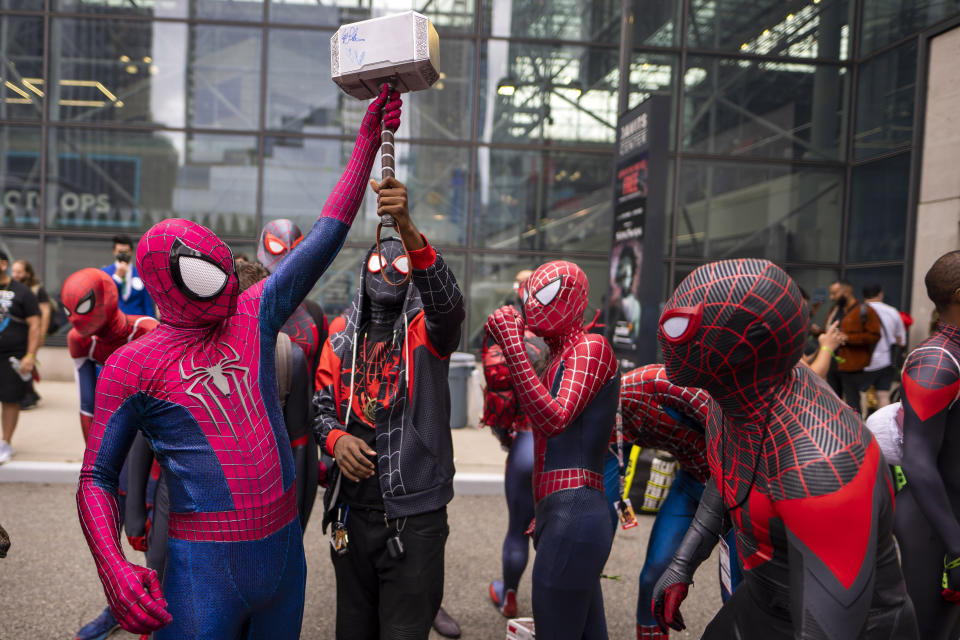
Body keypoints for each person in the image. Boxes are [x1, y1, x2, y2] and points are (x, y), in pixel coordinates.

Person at [76, 85, 400, 639]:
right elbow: (95, 477)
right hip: (204, 565)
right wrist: (113, 569)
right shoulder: (136, 364)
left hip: (273, 556)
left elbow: (327, 233)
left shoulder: (250, 313)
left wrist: (367, 140)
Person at [651, 259, 917, 639]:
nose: (664, 335)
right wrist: (682, 564)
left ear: (750, 342)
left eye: (680, 325)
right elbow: (730, 473)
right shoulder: (730, 391)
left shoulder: (822, 463)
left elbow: (833, 625)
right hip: (762, 602)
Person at [313, 176, 465, 640]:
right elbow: (319, 408)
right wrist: (336, 440)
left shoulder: (428, 333)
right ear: (363, 272)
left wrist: (408, 228)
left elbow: (449, 306)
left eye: (400, 263)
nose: (388, 270)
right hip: (350, 515)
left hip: (413, 518)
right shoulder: (340, 334)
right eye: (380, 261)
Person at [486, 260, 619, 640]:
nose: (532, 304)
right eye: (530, 295)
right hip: (565, 514)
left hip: (574, 514)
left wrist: (512, 344)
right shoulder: (560, 355)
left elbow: (553, 419)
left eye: (543, 295)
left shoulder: (591, 348)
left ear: (574, 298)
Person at [61, 267, 159, 640]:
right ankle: (119, 604)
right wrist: (96, 469)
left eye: (80, 306)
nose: (74, 317)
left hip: (150, 448)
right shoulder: (79, 340)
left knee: (152, 529)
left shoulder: (146, 329)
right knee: (107, 537)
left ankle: (162, 605)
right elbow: (88, 407)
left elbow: (160, 405)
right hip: (109, 447)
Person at [620, 364, 741, 639]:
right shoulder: (609, 420)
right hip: (690, 482)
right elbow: (613, 474)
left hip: (732, 490)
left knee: (735, 591)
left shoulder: (651, 382)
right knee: (654, 573)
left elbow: (719, 417)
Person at [897, 250, 960, 639]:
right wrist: (956, 546)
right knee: (928, 631)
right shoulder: (936, 359)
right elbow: (917, 460)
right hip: (935, 525)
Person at [482, 270, 549, 619]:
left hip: (523, 443)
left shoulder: (513, 339)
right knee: (556, 534)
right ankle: (551, 607)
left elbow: (499, 403)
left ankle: (509, 597)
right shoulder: (574, 341)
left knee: (517, 531)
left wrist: (506, 439)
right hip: (558, 449)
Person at [257, 218, 329, 378]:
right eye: (277, 246)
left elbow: (319, 375)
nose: (288, 253)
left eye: (295, 248)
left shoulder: (314, 313)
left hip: (303, 400)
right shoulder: (246, 306)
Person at [0, 250, 40, 464]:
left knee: (9, 399)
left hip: (12, 355)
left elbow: (35, 325)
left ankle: (5, 443)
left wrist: (30, 355)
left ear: (3, 263)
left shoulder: (23, 292)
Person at [826, 279, 881, 412]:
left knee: (853, 403)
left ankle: (855, 431)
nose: (831, 297)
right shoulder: (834, 310)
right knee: (832, 402)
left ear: (846, 292)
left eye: (835, 293)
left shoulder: (865, 310)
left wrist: (849, 338)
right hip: (832, 362)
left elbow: (874, 336)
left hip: (852, 365)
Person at [10, 259, 51, 410]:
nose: (15, 275)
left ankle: (26, 396)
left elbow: (45, 313)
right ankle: (30, 394)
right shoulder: (11, 288)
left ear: (27, 273)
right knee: (23, 364)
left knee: (26, 363)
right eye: (13, 271)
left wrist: (41, 335)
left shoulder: (36, 289)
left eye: (19, 272)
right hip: (18, 334)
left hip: (32, 334)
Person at [862, 283, 906, 409]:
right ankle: (882, 427)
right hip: (885, 360)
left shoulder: (857, 310)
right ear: (880, 294)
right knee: (883, 395)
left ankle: (855, 426)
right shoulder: (892, 311)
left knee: (857, 395)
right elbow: (901, 340)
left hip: (861, 361)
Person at [101, 233, 155, 318]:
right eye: (120, 252)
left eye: (125, 252)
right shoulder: (104, 273)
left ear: (131, 252)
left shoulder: (141, 274)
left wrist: (151, 324)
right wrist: (117, 277)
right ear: (114, 252)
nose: (123, 255)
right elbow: (104, 298)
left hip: (136, 324)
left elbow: (147, 304)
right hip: (113, 323)